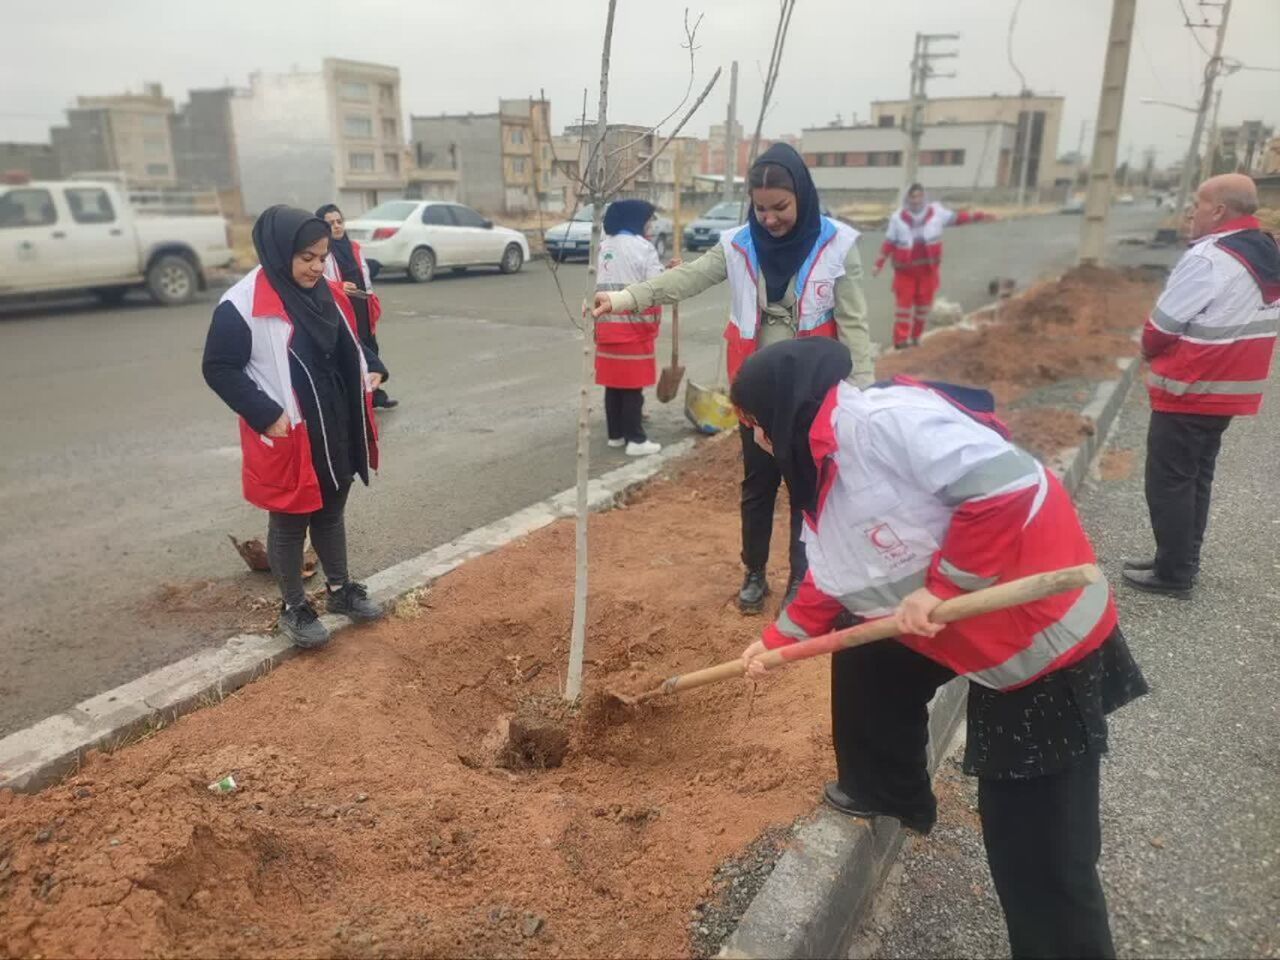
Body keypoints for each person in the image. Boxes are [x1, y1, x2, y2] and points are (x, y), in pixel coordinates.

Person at [734, 338, 1147, 960]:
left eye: (756, 425)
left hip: (1039, 650)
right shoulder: (825, 464)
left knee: (1036, 855)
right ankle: (885, 788)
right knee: (867, 654)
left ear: (784, 410)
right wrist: (776, 643)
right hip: (976, 633)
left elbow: (1002, 488)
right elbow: (835, 573)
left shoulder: (884, 422)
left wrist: (944, 586)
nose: (759, 441)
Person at [593, 143, 873, 614]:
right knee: (758, 486)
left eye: (780, 207)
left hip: (812, 398)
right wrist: (623, 299)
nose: (769, 219)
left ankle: (802, 579)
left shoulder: (837, 245)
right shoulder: (739, 244)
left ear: (802, 196)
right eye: (760, 209)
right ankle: (755, 573)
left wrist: (862, 395)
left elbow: (856, 326)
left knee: (808, 490)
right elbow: (685, 280)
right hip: (758, 395)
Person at [202, 205, 388, 649]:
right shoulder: (242, 304)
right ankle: (294, 607)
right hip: (292, 426)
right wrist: (265, 412)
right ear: (279, 249)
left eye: (323, 256)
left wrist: (374, 365)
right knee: (290, 521)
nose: (317, 266)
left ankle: (340, 591)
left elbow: (350, 338)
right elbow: (218, 367)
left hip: (336, 419)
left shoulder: (325, 290)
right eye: (306, 256)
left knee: (330, 508)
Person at [1124, 174, 1279, 596]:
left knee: (1169, 480)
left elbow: (1162, 327)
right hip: (1228, 391)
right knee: (1196, 477)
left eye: (1198, 203)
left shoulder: (1210, 258)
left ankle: (1173, 573)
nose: (1191, 212)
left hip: (1191, 386)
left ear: (1219, 211)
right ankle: (1179, 558)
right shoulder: (1265, 250)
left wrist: (1147, 350)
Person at [873, 183, 992, 349]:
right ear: (907, 198)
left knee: (922, 308)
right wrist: (879, 263)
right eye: (912, 197)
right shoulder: (898, 218)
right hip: (905, 272)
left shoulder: (936, 212)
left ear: (924, 197)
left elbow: (957, 219)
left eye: (919, 196)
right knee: (903, 310)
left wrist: (978, 216)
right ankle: (900, 341)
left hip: (928, 271)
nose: (916, 200)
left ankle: (915, 337)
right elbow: (889, 243)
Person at [595, 199, 664, 456]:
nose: (650, 225)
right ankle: (636, 439)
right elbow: (656, 288)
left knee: (613, 384)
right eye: (648, 220)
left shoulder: (601, 247)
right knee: (632, 386)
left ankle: (615, 434)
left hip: (605, 326)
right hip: (634, 327)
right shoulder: (643, 248)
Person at [317, 202, 397, 409]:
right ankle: (355, 398)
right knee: (351, 350)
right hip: (339, 307)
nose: (336, 226)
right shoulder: (321, 252)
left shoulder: (353, 247)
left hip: (360, 304)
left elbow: (364, 275)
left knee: (369, 346)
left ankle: (375, 394)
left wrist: (370, 298)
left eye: (339, 221)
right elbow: (318, 279)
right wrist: (339, 287)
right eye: (330, 223)